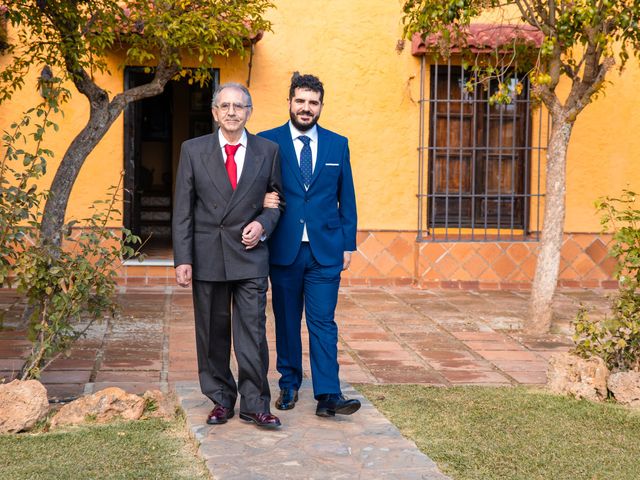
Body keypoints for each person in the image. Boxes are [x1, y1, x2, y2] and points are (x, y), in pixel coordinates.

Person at [173, 82, 283, 428]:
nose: (232, 112)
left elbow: (277, 200)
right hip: (207, 254)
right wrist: (183, 259)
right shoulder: (193, 150)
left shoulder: (268, 151)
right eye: (225, 106)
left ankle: (255, 403)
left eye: (239, 106)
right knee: (212, 333)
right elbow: (183, 210)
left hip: (250, 256)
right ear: (214, 112)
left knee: (252, 331)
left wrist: (263, 224)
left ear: (249, 112)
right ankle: (221, 398)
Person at [259, 72, 360, 417]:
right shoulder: (267, 142)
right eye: (300, 101)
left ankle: (328, 394)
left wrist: (348, 244)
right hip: (284, 248)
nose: (306, 108)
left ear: (320, 106)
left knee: (323, 322)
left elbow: (347, 197)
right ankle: (288, 384)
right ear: (289, 102)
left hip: (325, 251)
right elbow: (255, 190)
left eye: (312, 103)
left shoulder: (337, 144)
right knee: (287, 320)